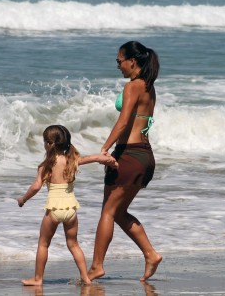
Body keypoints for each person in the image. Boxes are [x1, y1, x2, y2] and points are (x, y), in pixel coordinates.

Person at [88, 41, 162, 282]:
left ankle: (97, 266)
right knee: (118, 213)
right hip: (144, 154)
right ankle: (151, 255)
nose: (118, 66)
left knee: (108, 212)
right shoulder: (149, 87)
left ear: (133, 60)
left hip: (128, 154)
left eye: (119, 61)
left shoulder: (133, 86)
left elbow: (123, 122)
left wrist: (104, 148)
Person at [18, 124, 118, 286]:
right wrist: (108, 160)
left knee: (43, 243)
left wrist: (23, 199)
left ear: (48, 144)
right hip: (71, 209)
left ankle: (38, 279)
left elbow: (36, 186)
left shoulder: (46, 166)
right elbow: (94, 158)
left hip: (54, 210)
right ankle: (86, 278)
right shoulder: (72, 161)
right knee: (73, 244)